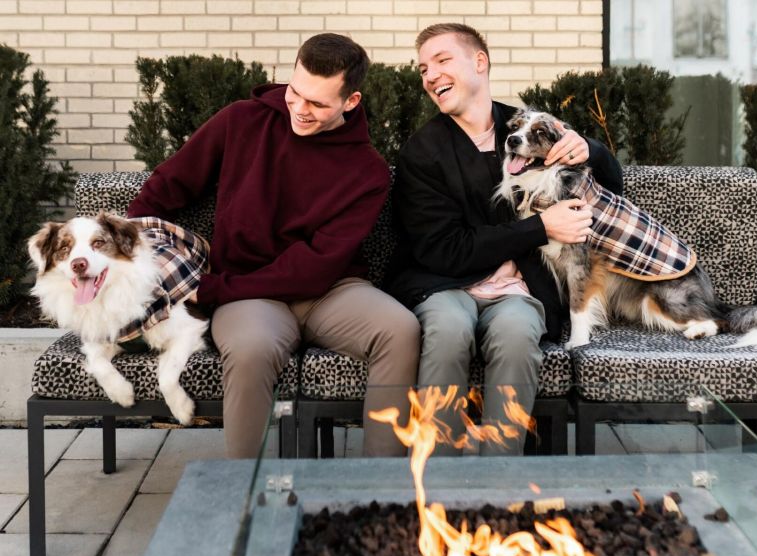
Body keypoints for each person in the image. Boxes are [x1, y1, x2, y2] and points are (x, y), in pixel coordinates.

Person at [127, 33, 420, 459]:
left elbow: (317, 266)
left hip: (328, 291)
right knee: (251, 349)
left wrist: (214, 290)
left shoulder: (367, 170)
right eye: (295, 93)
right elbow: (171, 183)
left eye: (317, 104)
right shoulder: (242, 121)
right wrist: (126, 239)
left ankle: (378, 487)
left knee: (400, 328)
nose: (300, 110)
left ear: (351, 102)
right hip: (251, 293)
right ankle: (249, 494)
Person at [388, 23, 624, 456]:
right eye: (423, 68)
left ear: (480, 62)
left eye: (442, 60)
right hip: (444, 283)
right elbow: (444, 250)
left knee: (518, 334)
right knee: (447, 331)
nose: (430, 75)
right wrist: (540, 227)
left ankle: (499, 479)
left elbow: (609, 186)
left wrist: (592, 150)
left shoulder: (527, 128)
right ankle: (437, 478)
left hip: (519, 288)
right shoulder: (422, 152)